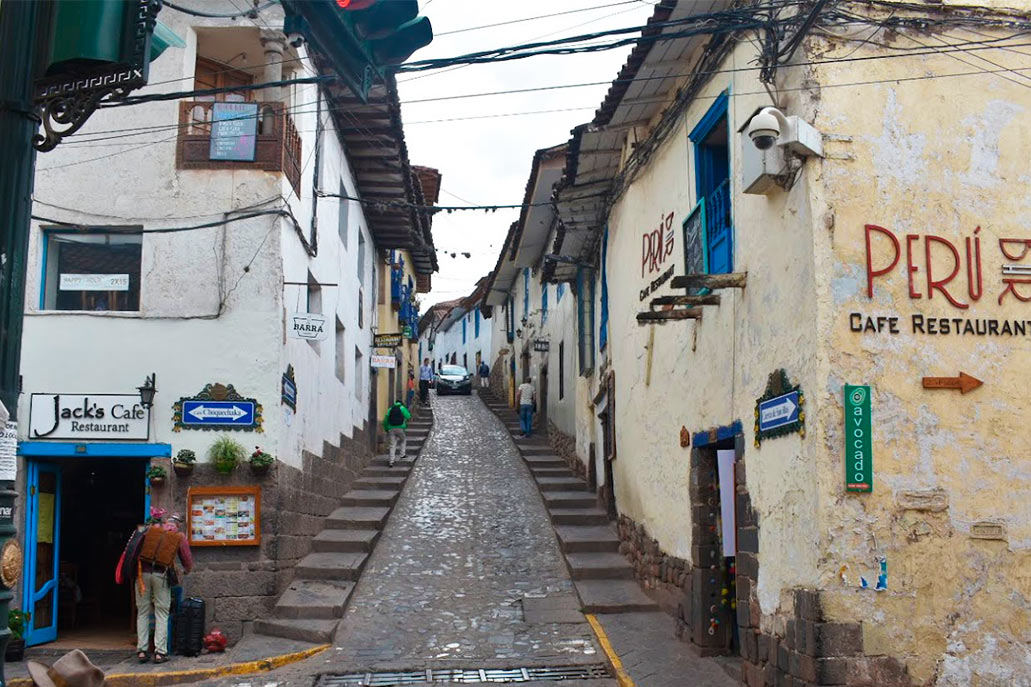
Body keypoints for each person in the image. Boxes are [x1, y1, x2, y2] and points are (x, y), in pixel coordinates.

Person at [117, 509, 193, 664]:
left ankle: (142, 651)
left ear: (165, 523)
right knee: (162, 613)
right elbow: (187, 560)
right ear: (177, 525)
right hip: (161, 575)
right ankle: (160, 652)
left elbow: (133, 548)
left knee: (143, 612)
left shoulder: (148, 531)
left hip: (142, 575)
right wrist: (186, 569)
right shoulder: (178, 536)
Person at [383, 399, 411, 467]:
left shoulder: (390, 409)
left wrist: (386, 428)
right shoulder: (402, 408)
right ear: (401, 403)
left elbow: (385, 420)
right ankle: (402, 455)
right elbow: (408, 416)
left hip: (391, 428)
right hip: (400, 428)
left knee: (392, 444)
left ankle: (391, 461)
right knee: (403, 440)